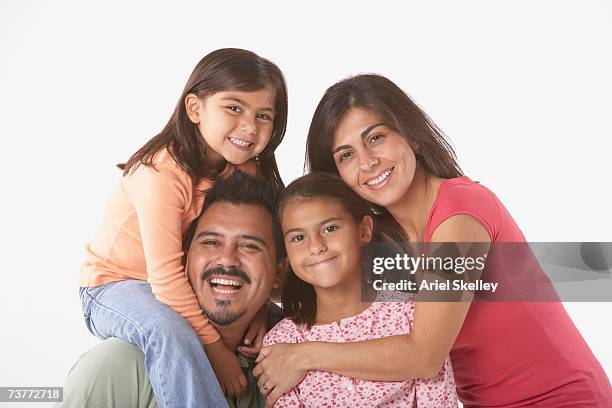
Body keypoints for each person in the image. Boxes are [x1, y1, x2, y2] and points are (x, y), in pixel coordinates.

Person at [254, 74, 612, 407]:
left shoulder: (460, 212)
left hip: (560, 398)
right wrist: (258, 318)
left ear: (408, 132)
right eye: (346, 155)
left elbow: (423, 356)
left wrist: (303, 354)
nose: (367, 163)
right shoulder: (380, 235)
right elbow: (322, 282)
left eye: (376, 137)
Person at [79, 48, 288, 408]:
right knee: (168, 331)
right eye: (234, 108)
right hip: (113, 287)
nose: (250, 127)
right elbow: (166, 279)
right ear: (194, 109)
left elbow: (269, 255)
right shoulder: (160, 174)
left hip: (169, 289)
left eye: (263, 115)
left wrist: (264, 312)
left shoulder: (241, 169)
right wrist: (218, 353)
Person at [64, 171, 284, 408]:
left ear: (279, 272)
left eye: (249, 246)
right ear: (184, 259)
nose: (227, 260)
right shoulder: (117, 367)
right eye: (211, 242)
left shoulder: (288, 364)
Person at [258, 173, 457, 407]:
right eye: (298, 237)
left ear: (363, 231)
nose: (316, 247)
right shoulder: (283, 341)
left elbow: (438, 400)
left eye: (330, 228)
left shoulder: (412, 314)